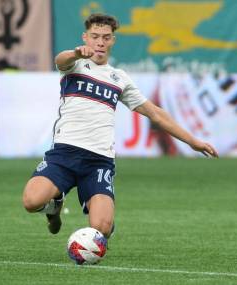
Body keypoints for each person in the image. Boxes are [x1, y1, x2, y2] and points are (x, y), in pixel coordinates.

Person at [22, 14, 218, 239]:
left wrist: (193, 141)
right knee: (31, 201)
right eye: (95, 36)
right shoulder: (75, 64)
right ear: (85, 37)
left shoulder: (119, 78)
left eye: (106, 37)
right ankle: (54, 206)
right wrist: (76, 52)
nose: (100, 42)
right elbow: (60, 60)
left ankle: (94, 217)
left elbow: (155, 113)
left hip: (98, 161)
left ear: (112, 40)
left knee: (102, 229)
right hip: (64, 153)